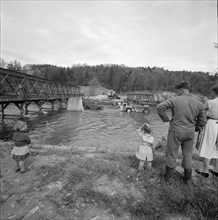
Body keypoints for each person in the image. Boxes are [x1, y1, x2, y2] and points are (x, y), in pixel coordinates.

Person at [157, 81, 207, 184]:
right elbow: (203, 121)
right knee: (188, 155)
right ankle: (187, 180)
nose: (176, 93)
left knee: (171, 154)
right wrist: (196, 128)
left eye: (177, 91)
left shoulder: (174, 100)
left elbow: (160, 107)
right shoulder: (198, 102)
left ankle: (167, 179)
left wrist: (167, 119)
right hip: (190, 132)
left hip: (175, 131)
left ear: (182, 89)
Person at [195, 84, 218, 178]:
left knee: (207, 146)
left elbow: (199, 110)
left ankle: (205, 171)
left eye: (212, 92)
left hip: (211, 124)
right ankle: (216, 171)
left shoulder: (210, 102)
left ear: (215, 92)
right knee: (216, 148)